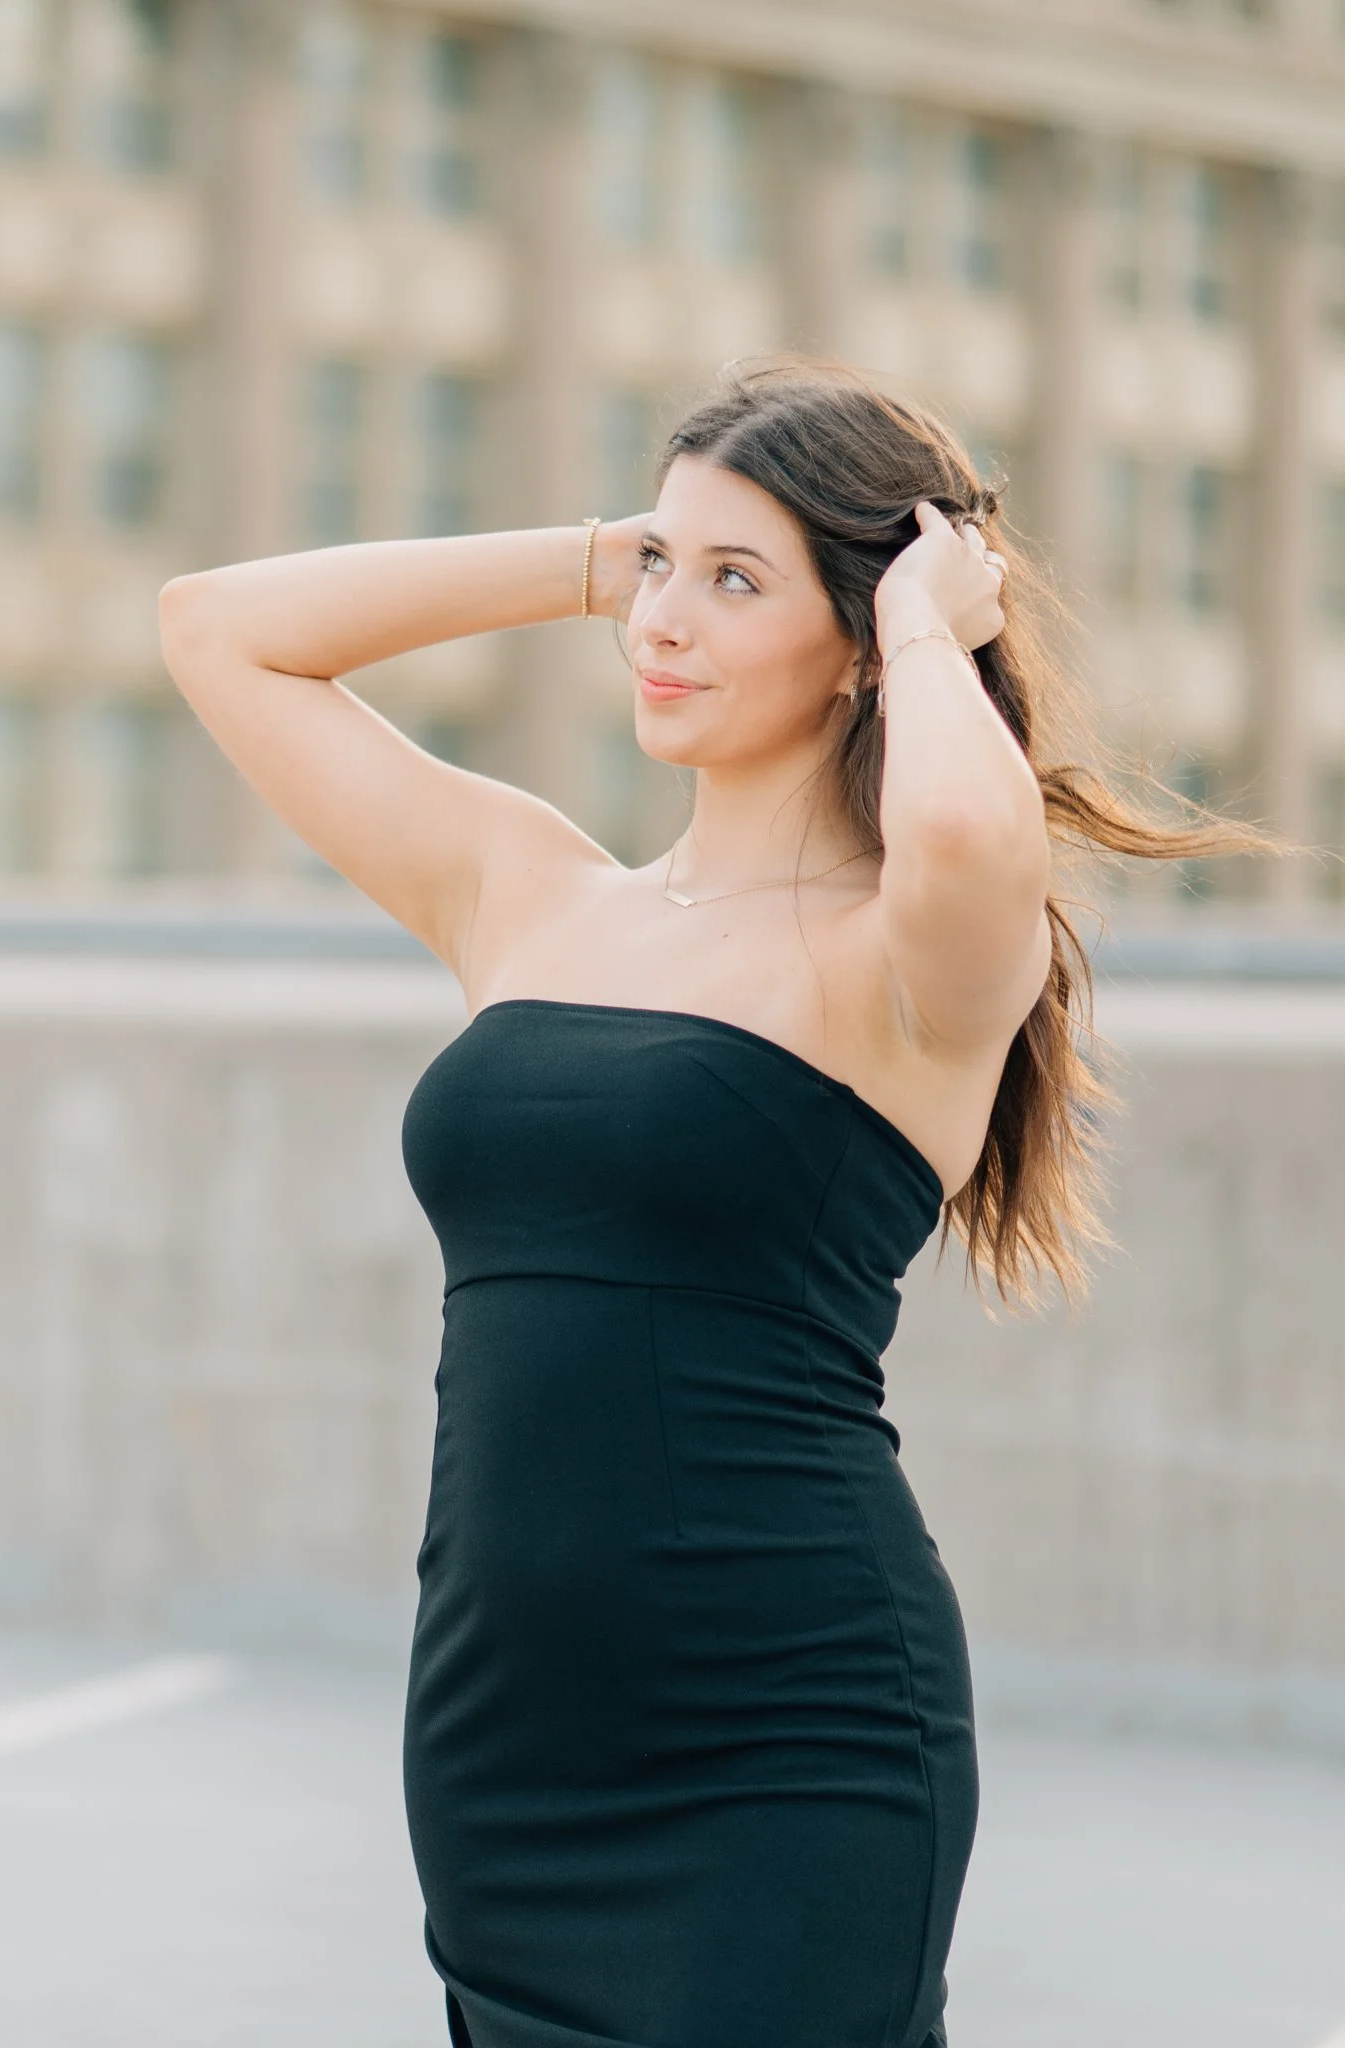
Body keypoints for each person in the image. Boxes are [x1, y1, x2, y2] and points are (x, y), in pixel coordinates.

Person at [158, 356, 1268, 2048]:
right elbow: (217, 630)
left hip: (788, 1729)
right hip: (503, 1727)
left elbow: (968, 830)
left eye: (736, 582)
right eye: (660, 568)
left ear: (861, 639)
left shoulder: (908, 948)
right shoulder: (527, 889)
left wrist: (925, 626)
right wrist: (606, 557)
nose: (665, 622)